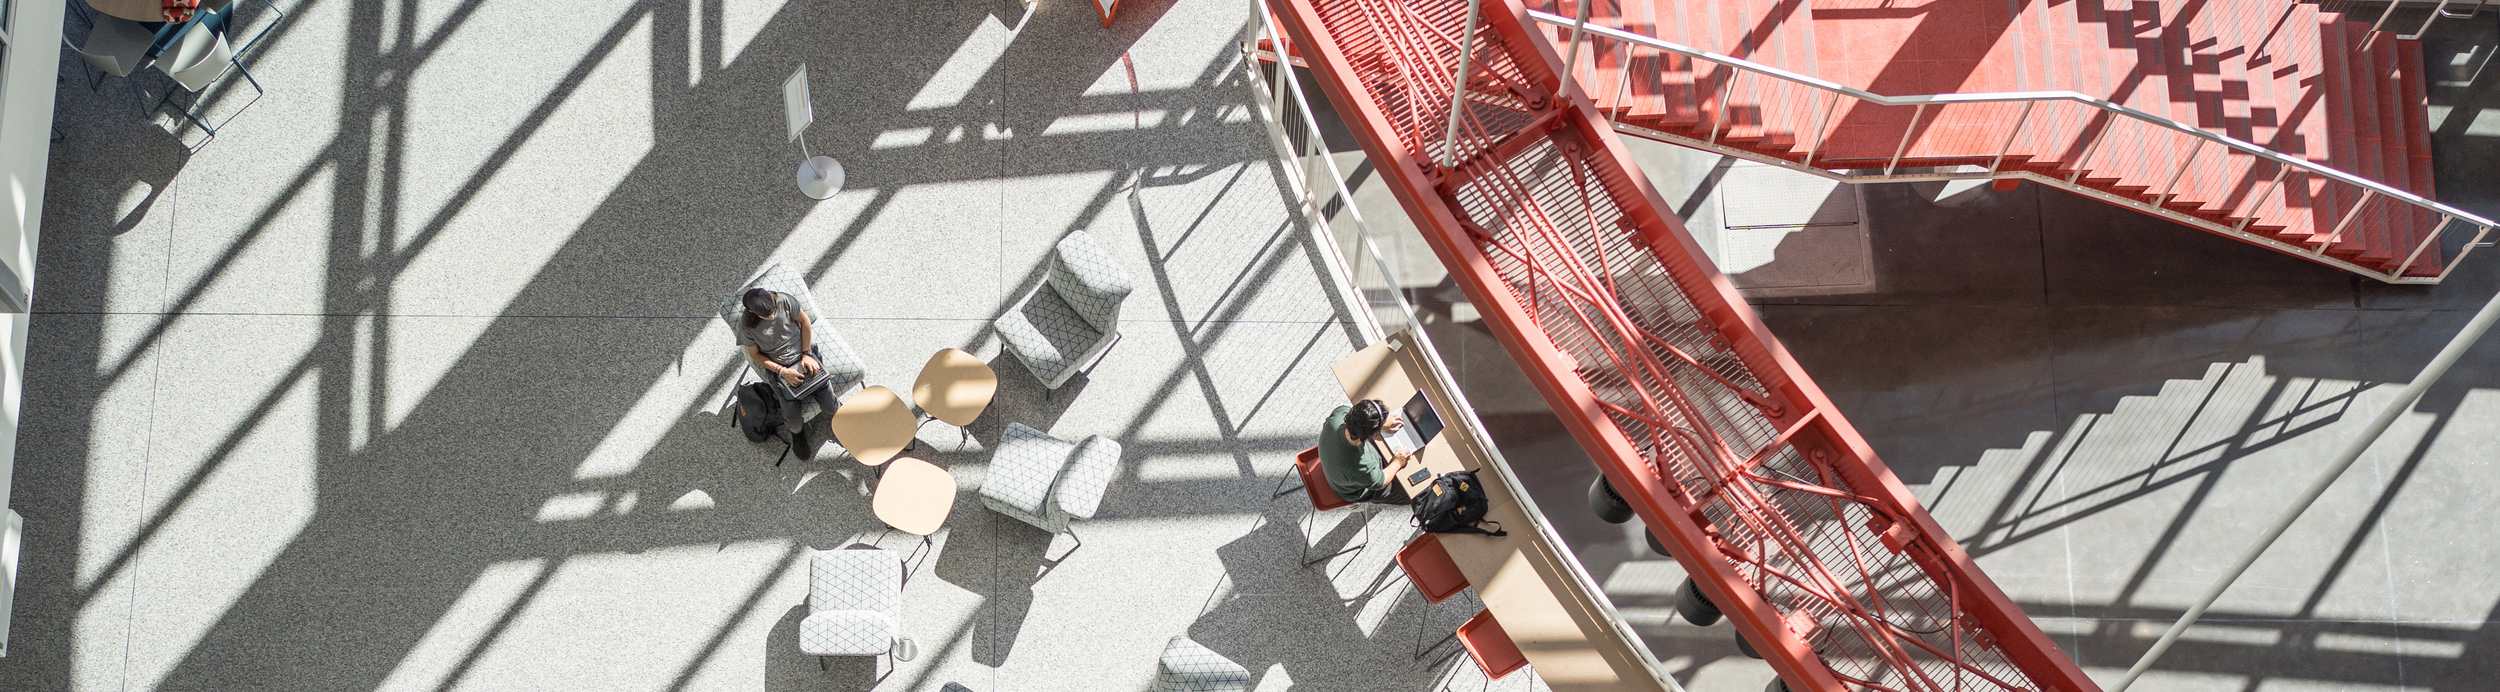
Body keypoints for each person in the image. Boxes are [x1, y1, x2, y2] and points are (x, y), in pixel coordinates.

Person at [737, 287, 839, 459]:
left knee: (830, 404)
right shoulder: (746, 326)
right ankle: (797, 435)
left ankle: (841, 419)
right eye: (765, 316)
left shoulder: (784, 300)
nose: (771, 317)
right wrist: (783, 372)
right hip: (780, 368)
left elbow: (805, 322)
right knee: (792, 415)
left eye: (772, 311)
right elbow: (755, 355)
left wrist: (806, 354)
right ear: (751, 312)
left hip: (804, 355)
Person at [1317, 399, 1417, 505]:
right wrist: (1398, 462)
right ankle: (1356, 505)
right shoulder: (1360, 464)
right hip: (1351, 490)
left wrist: (1381, 424)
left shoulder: (1339, 415)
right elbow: (1381, 481)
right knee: (1412, 493)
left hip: (1336, 465)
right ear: (1371, 435)